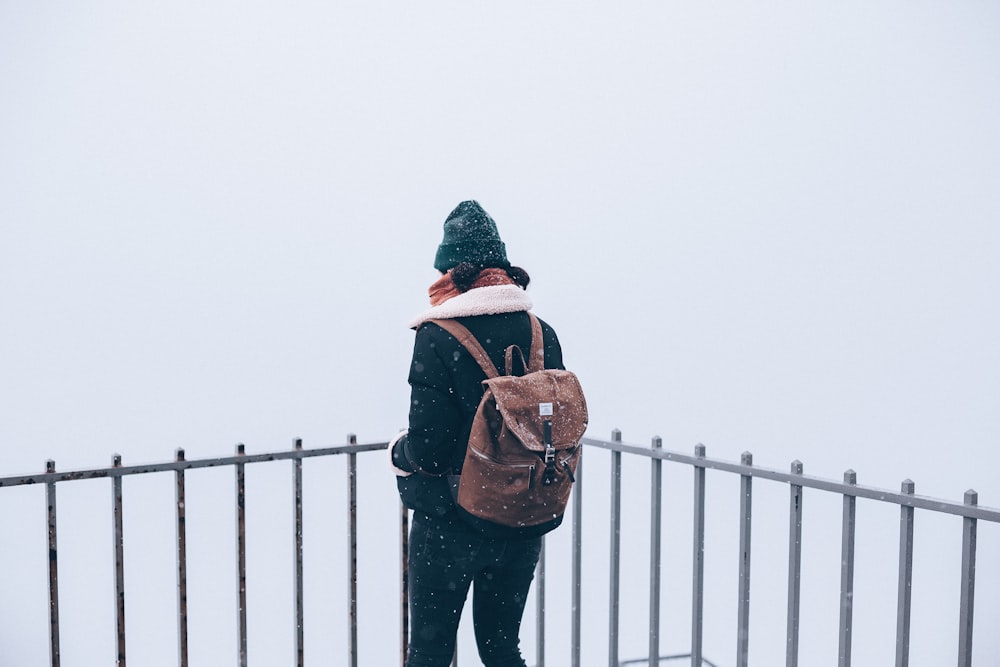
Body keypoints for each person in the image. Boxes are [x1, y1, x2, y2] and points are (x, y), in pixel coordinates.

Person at [388, 200, 566, 667]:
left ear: (451, 271)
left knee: (429, 653)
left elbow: (428, 450)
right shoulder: (541, 333)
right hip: (521, 518)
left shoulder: (437, 336)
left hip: (449, 524)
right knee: (502, 649)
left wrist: (397, 452)